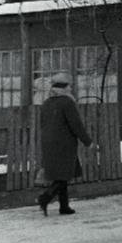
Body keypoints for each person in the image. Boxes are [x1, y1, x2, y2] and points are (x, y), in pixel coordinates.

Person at [37, 73, 93, 216]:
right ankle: (45, 198)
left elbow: (43, 125)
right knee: (64, 175)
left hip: (48, 143)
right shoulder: (67, 102)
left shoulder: (46, 103)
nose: (71, 88)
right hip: (64, 143)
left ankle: (64, 206)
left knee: (60, 175)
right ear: (65, 87)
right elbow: (76, 125)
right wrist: (87, 141)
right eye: (69, 86)